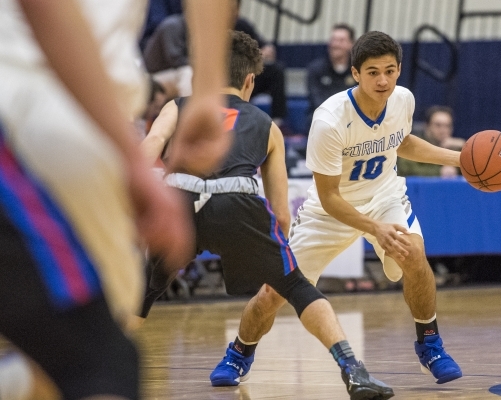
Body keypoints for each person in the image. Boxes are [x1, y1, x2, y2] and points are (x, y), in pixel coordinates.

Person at [139, 31, 394, 400]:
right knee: (296, 287)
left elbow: (149, 147)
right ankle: (354, 371)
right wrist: (277, 256)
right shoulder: (267, 125)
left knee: (143, 291)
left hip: (180, 197)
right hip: (238, 202)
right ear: (249, 81)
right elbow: (280, 213)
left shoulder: (179, 105)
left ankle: (94, 374)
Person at [0, 0, 230, 398]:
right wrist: (205, 91)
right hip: (51, 113)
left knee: (85, 353)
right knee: (100, 364)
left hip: (68, 116)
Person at [211, 31, 464, 387]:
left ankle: (430, 344)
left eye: (390, 71)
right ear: (356, 73)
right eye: (373, 72)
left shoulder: (403, 100)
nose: (383, 80)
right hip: (330, 211)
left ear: (399, 70)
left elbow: (401, 140)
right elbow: (329, 196)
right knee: (272, 293)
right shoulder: (330, 119)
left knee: (415, 252)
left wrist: (457, 158)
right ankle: (239, 352)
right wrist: (375, 229)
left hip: (384, 197)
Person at [233, 0, 287, 124]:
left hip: (245, 75)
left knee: (276, 71)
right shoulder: (212, 29)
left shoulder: (243, 25)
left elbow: (261, 46)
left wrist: (267, 50)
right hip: (223, 78)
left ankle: (278, 122)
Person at [306, 23, 356, 127]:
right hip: (323, 121)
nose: (336, 44)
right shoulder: (315, 69)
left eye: (341, 40)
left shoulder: (359, 70)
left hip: (352, 122)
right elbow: (316, 101)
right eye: (333, 40)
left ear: (351, 44)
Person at [397, 105, 465, 177]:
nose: (443, 130)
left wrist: (464, 145)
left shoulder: (455, 147)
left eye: (447, 126)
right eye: (438, 125)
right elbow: (406, 170)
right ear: (427, 126)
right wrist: (438, 172)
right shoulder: (413, 144)